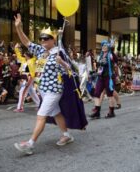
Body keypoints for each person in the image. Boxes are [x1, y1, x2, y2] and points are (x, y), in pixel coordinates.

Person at [13, 13, 87, 155]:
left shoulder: (60, 53)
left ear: (53, 40)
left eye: (46, 38)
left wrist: (63, 62)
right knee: (56, 113)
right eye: (41, 38)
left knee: (41, 115)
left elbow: (73, 71)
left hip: (54, 90)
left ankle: (30, 144)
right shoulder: (41, 51)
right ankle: (66, 135)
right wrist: (19, 28)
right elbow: (26, 42)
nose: (42, 41)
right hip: (43, 89)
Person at [89, 40, 117, 119]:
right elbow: (99, 66)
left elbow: (115, 59)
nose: (104, 47)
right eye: (103, 46)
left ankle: (111, 112)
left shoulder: (110, 55)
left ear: (108, 47)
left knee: (110, 94)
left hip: (109, 77)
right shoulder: (100, 55)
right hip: (100, 77)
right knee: (96, 93)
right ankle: (97, 112)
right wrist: (94, 72)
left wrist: (112, 50)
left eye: (105, 46)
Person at [13, 43, 40, 112]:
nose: (23, 54)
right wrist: (16, 48)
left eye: (24, 53)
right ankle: (39, 104)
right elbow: (18, 56)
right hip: (25, 78)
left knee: (22, 92)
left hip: (29, 78)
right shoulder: (24, 60)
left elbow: (36, 54)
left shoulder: (32, 60)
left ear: (27, 54)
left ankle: (20, 108)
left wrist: (29, 80)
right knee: (32, 92)